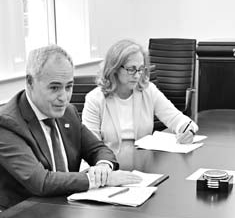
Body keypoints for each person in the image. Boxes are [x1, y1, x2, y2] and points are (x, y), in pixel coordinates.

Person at [0, 44, 140, 211]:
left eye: (68, 87)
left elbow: (97, 149)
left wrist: (103, 168)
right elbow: (41, 182)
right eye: (54, 88)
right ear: (30, 82)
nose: (64, 97)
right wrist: (99, 180)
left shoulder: (67, 112)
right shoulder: (5, 125)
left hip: (58, 209)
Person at [82, 39, 198, 168]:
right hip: (110, 169)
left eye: (141, 69)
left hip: (145, 169)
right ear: (114, 68)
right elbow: (91, 148)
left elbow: (176, 118)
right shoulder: (95, 99)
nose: (137, 75)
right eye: (131, 69)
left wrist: (188, 131)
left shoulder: (148, 91)